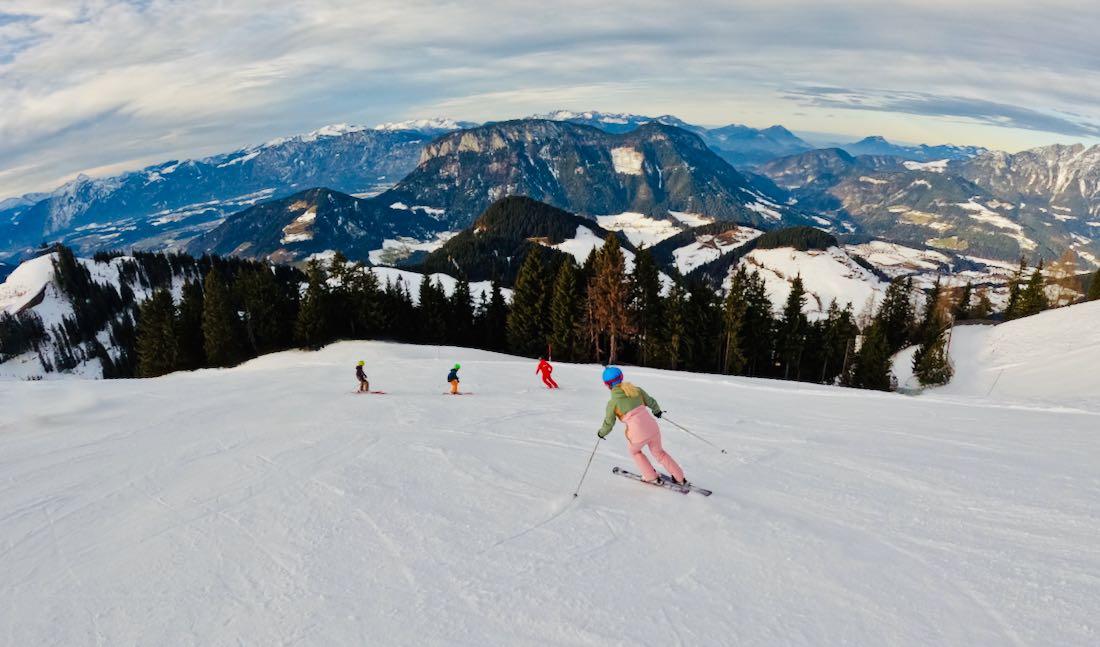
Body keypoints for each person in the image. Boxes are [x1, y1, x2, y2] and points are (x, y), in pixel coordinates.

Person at [597, 366, 687, 486]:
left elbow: (609, 423)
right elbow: (651, 401)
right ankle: (679, 477)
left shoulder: (613, 403)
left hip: (637, 434)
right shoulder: (637, 390)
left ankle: (651, 476)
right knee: (659, 453)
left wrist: (601, 433)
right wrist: (657, 411)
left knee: (634, 452)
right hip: (653, 428)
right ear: (621, 377)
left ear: (607, 385)